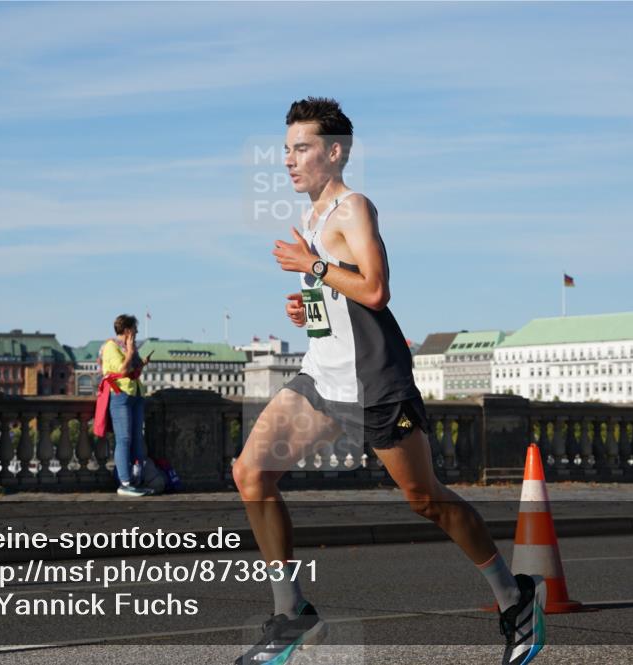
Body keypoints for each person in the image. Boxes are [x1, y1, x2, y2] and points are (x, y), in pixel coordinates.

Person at [232, 98, 547, 665]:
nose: (288, 160)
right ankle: (294, 615)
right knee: (250, 472)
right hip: (322, 378)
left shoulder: (354, 208)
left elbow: (376, 291)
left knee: (426, 500)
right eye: (285, 149)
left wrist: (314, 268)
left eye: (301, 148)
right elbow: (344, 294)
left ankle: (514, 597)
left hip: (375, 382)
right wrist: (312, 308)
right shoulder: (311, 216)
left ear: (334, 152)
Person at [100, 314, 154, 497]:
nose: (137, 332)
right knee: (124, 439)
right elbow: (122, 370)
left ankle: (136, 480)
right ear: (127, 330)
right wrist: (130, 352)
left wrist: (141, 362)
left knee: (137, 437)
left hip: (136, 395)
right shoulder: (111, 347)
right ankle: (124, 482)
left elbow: (133, 368)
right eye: (135, 329)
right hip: (120, 396)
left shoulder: (130, 347)